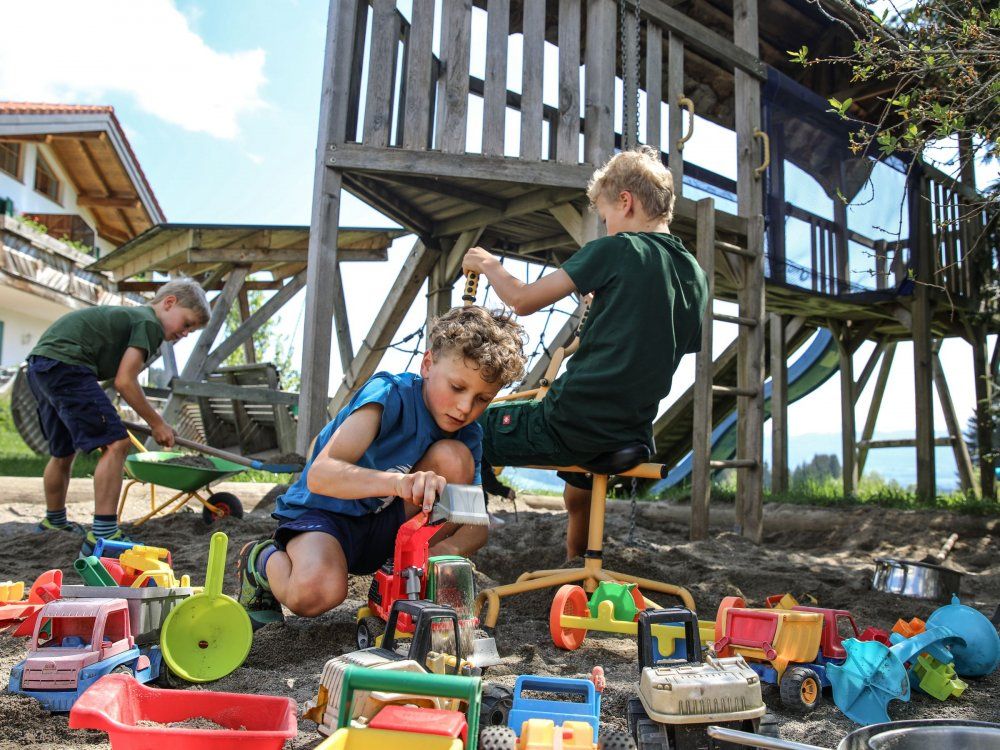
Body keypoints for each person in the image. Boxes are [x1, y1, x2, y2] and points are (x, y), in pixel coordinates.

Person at [463, 145, 709, 561]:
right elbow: (661, 343)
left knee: (468, 425)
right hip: (631, 431)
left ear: (626, 202)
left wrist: (488, 264)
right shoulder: (695, 274)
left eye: (606, 216)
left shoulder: (619, 249)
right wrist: (609, 309)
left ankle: (462, 535)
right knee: (578, 490)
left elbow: (522, 300)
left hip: (570, 421)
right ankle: (577, 562)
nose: (607, 227)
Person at [236, 306, 526, 630]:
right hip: (325, 515)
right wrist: (398, 483)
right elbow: (320, 475)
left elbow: (475, 525)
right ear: (428, 364)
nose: (465, 407)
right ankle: (259, 559)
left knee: (453, 458)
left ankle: (399, 579)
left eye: (482, 399)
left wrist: (439, 555)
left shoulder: (468, 434)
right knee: (315, 594)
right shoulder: (389, 394)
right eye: (457, 388)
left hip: (391, 533)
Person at [26, 278, 210, 555]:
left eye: (191, 331)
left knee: (63, 451)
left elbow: (115, 380)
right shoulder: (148, 323)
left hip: (41, 365)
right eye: (186, 324)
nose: (185, 334)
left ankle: (54, 522)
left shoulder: (130, 319)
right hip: (67, 365)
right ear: (169, 303)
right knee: (117, 443)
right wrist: (157, 423)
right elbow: (126, 381)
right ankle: (103, 531)